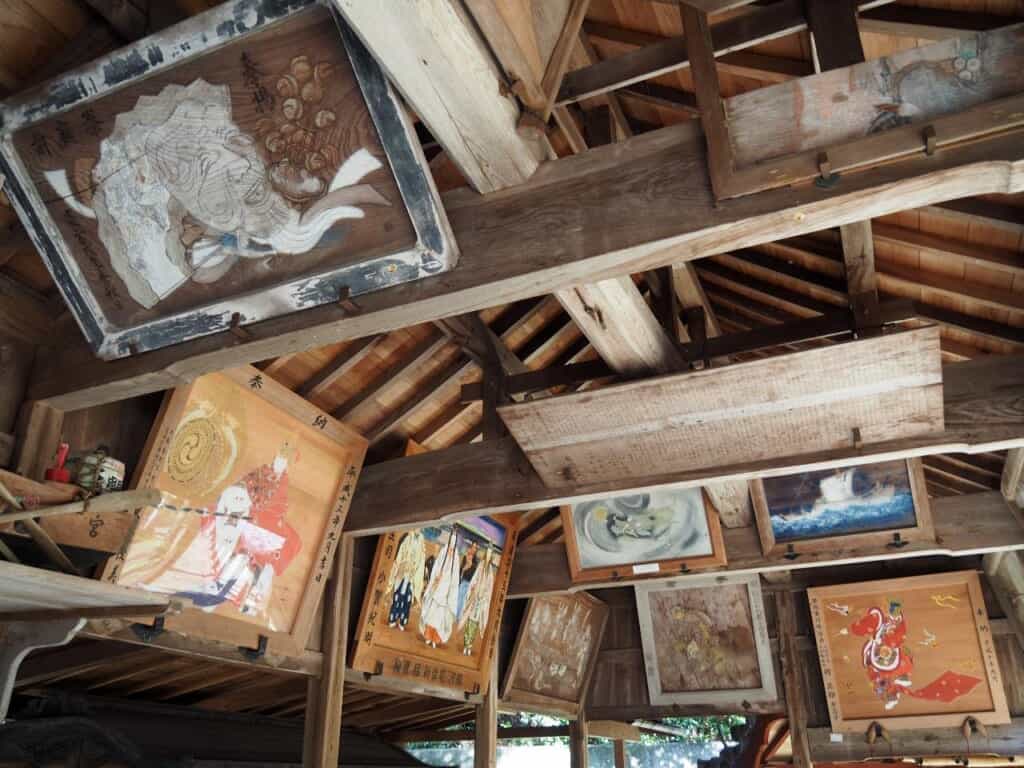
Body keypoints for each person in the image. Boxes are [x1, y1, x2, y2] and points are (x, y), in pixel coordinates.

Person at [419, 531, 461, 648]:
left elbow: (454, 585)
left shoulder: (455, 565)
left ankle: (435, 639)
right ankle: (428, 637)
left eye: (452, 550)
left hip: (445, 598)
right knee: (431, 617)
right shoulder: (441, 560)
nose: (450, 552)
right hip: (436, 593)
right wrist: (436, 580)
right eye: (449, 550)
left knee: (439, 621)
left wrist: (450, 597)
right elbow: (434, 574)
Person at [458, 548, 496, 656]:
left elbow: (490, 586)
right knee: (469, 621)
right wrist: (473, 588)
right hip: (474, 598)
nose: (488, 556)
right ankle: (465, 644)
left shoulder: (490, 571)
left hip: (482, 600)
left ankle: (469, 646)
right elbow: (474, 579)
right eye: (487, 553)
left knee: (475, 624)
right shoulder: (480, 565)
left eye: (490, 554)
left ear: (491, 556)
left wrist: (485, 595)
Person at [387, 530, 426, 630]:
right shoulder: (408, 538)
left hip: (412, 577)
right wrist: (403, 564)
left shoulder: (422, 543)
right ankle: (393, 619)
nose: (418, 529)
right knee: (397, 597)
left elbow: (421, 563)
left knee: (407, 600)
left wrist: (415, 571)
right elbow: (400, 554)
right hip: (402, 572)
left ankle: (402, 622)